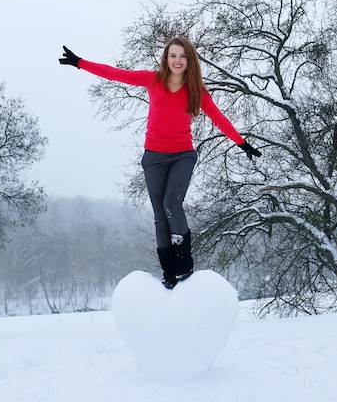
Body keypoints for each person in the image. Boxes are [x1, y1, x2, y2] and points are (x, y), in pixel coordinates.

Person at [59, 37, 261, 289]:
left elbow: (218, 118)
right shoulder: (152, 79)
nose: (177, 60)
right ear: (166, 58)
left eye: (182, 56)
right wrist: (80, 63)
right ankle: (169, 272)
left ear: (189, 61)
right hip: (153, 158)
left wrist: (241, 143)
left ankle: (184, 262)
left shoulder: (196, 89)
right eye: (173, 55)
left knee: (171, 204)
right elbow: (114, 74)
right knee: (159, 216)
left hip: (182, 155)